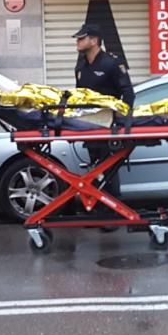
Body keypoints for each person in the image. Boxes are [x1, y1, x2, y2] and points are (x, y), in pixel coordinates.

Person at [72, 23, 135, 226]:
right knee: (95, 168)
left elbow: (128, 93)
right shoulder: (81, 66)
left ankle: (112, 214)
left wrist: (122, 121)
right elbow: (79, 95)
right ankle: (99, 209)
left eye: (81, 38)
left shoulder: (111, 64)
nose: (77, 42)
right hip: (89, 126)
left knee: (109, 169)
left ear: (94, 40)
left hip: (110, 126)